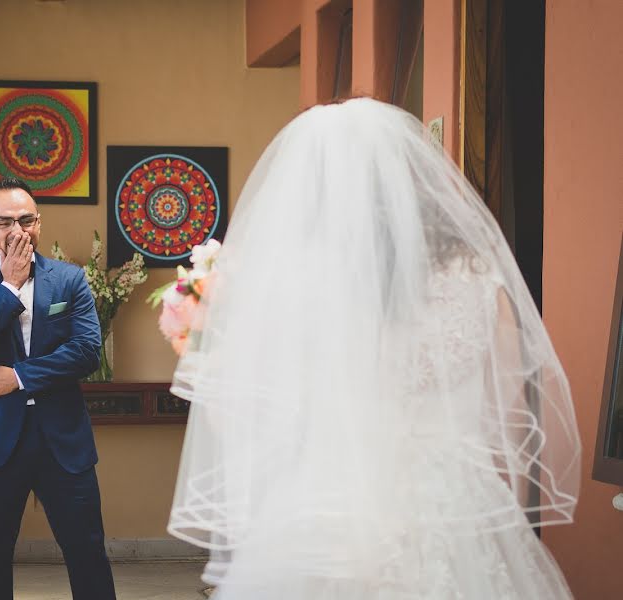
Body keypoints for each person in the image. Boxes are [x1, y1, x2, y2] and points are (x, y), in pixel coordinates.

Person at [167, 98, 581, 599]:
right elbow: (512, 417)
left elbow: (244, 425)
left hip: (329, 510)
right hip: (454, 508)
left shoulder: (301, 291)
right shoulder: (481, 280)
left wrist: (206, 352)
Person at [0, 177, 116, 600]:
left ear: (39, 222)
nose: (17, 231)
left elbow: (87, 351)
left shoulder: (69, 280)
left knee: (88, 551)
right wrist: (10, 286)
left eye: (26, 220)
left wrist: (18, 378)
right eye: (4, 222)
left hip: (62, 437)